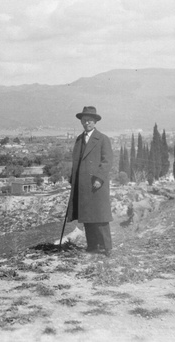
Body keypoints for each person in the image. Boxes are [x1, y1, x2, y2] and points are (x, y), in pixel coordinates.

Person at [66, 106, 114, 256]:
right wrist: (73, 179)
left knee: (100, 217)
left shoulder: (102, 139)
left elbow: (107, 161)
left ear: (95, 122)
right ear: (81, 121)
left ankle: (107, 248)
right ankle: (92, 246)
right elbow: (76, 162)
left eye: (90, 120)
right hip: (83, 184)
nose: (87, 123)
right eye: (84, 120)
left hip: (97, 184)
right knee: (87, 217)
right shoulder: (79, 140)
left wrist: (99, 178)